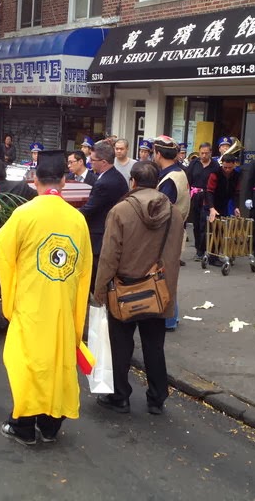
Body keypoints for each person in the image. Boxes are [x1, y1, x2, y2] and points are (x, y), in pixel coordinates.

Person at [0, 150, 92, 445]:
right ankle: (50, 425)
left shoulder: (24, 214)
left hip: (32, 304)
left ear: (34, 179)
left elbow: (0, 248)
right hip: (62, 307)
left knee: (27, 363)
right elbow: (84, 268)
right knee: (58, 363)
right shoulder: (77, 219)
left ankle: (23, 424)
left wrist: (10, 292)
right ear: (64, 180)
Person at [94, 161, 184, 415]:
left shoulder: (120, 211)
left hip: (124, 289)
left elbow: (109, 255)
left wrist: (100, 290)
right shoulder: (174, 213)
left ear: (132, 181)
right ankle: (157, 397)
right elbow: (174, 252)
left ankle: (119, 397)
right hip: (159, 290)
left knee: (121, 346)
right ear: (156, 182)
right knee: (154, 346)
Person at [79, 141, 129, 290]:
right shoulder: (114, 176)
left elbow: (89, 209)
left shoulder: (105, 182)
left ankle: (98, 308)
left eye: (92, 160)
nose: (89, 162)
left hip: (99, 235)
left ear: (104, 162)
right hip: (107, 230)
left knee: (96, 278)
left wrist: (69, 215)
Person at [153, 135, 190, 330]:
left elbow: (161, 210)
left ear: (158, 153)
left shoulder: (169, 179)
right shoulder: (178, 172)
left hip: (168, 233)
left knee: (165, 276)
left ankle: (168, 319)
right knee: (169, 275)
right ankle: (171, 317)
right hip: (176, 230)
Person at [186, 143, 219, 261]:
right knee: (196, 223)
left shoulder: (215, 165)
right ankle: (198, 250)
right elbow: (188, 179)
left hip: (208, 197)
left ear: (211, 153)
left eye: (206, 153)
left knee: (204, 224)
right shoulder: (194, 163)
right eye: (202, 153)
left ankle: (204, 249)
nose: (204, 155)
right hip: (195, 196)